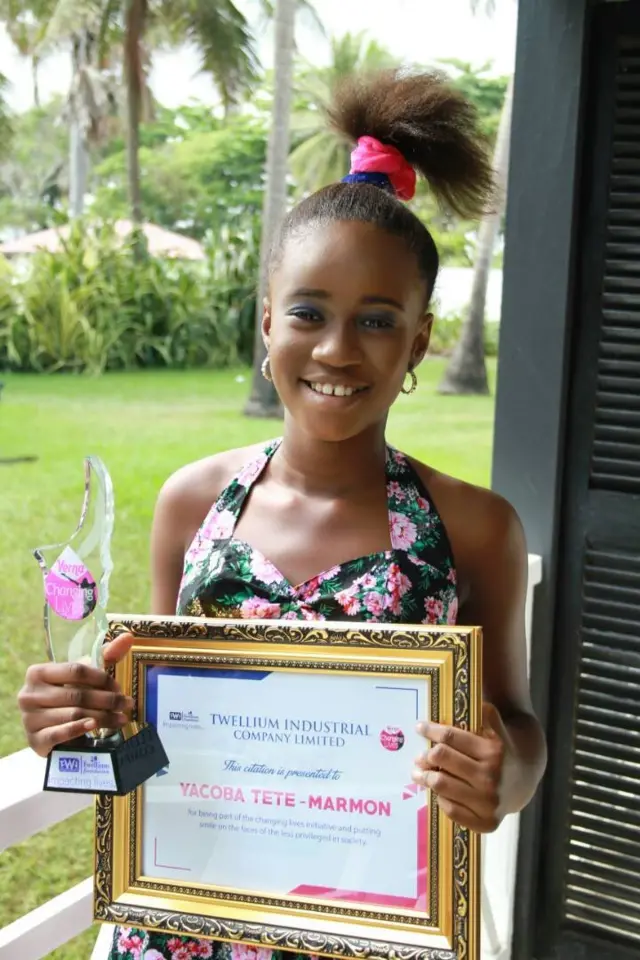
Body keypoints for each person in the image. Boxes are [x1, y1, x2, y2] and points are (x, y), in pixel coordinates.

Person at [17, 69, 547, 960]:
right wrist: (79, 717)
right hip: (184, 921)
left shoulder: (477, 527)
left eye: (378, 321)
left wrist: (503, 772)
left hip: (366, 924)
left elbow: (518, 729)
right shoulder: (195, 502)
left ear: (418, 339)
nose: (338, 348)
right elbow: (156, 721)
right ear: (268, 324)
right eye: (309, 312)